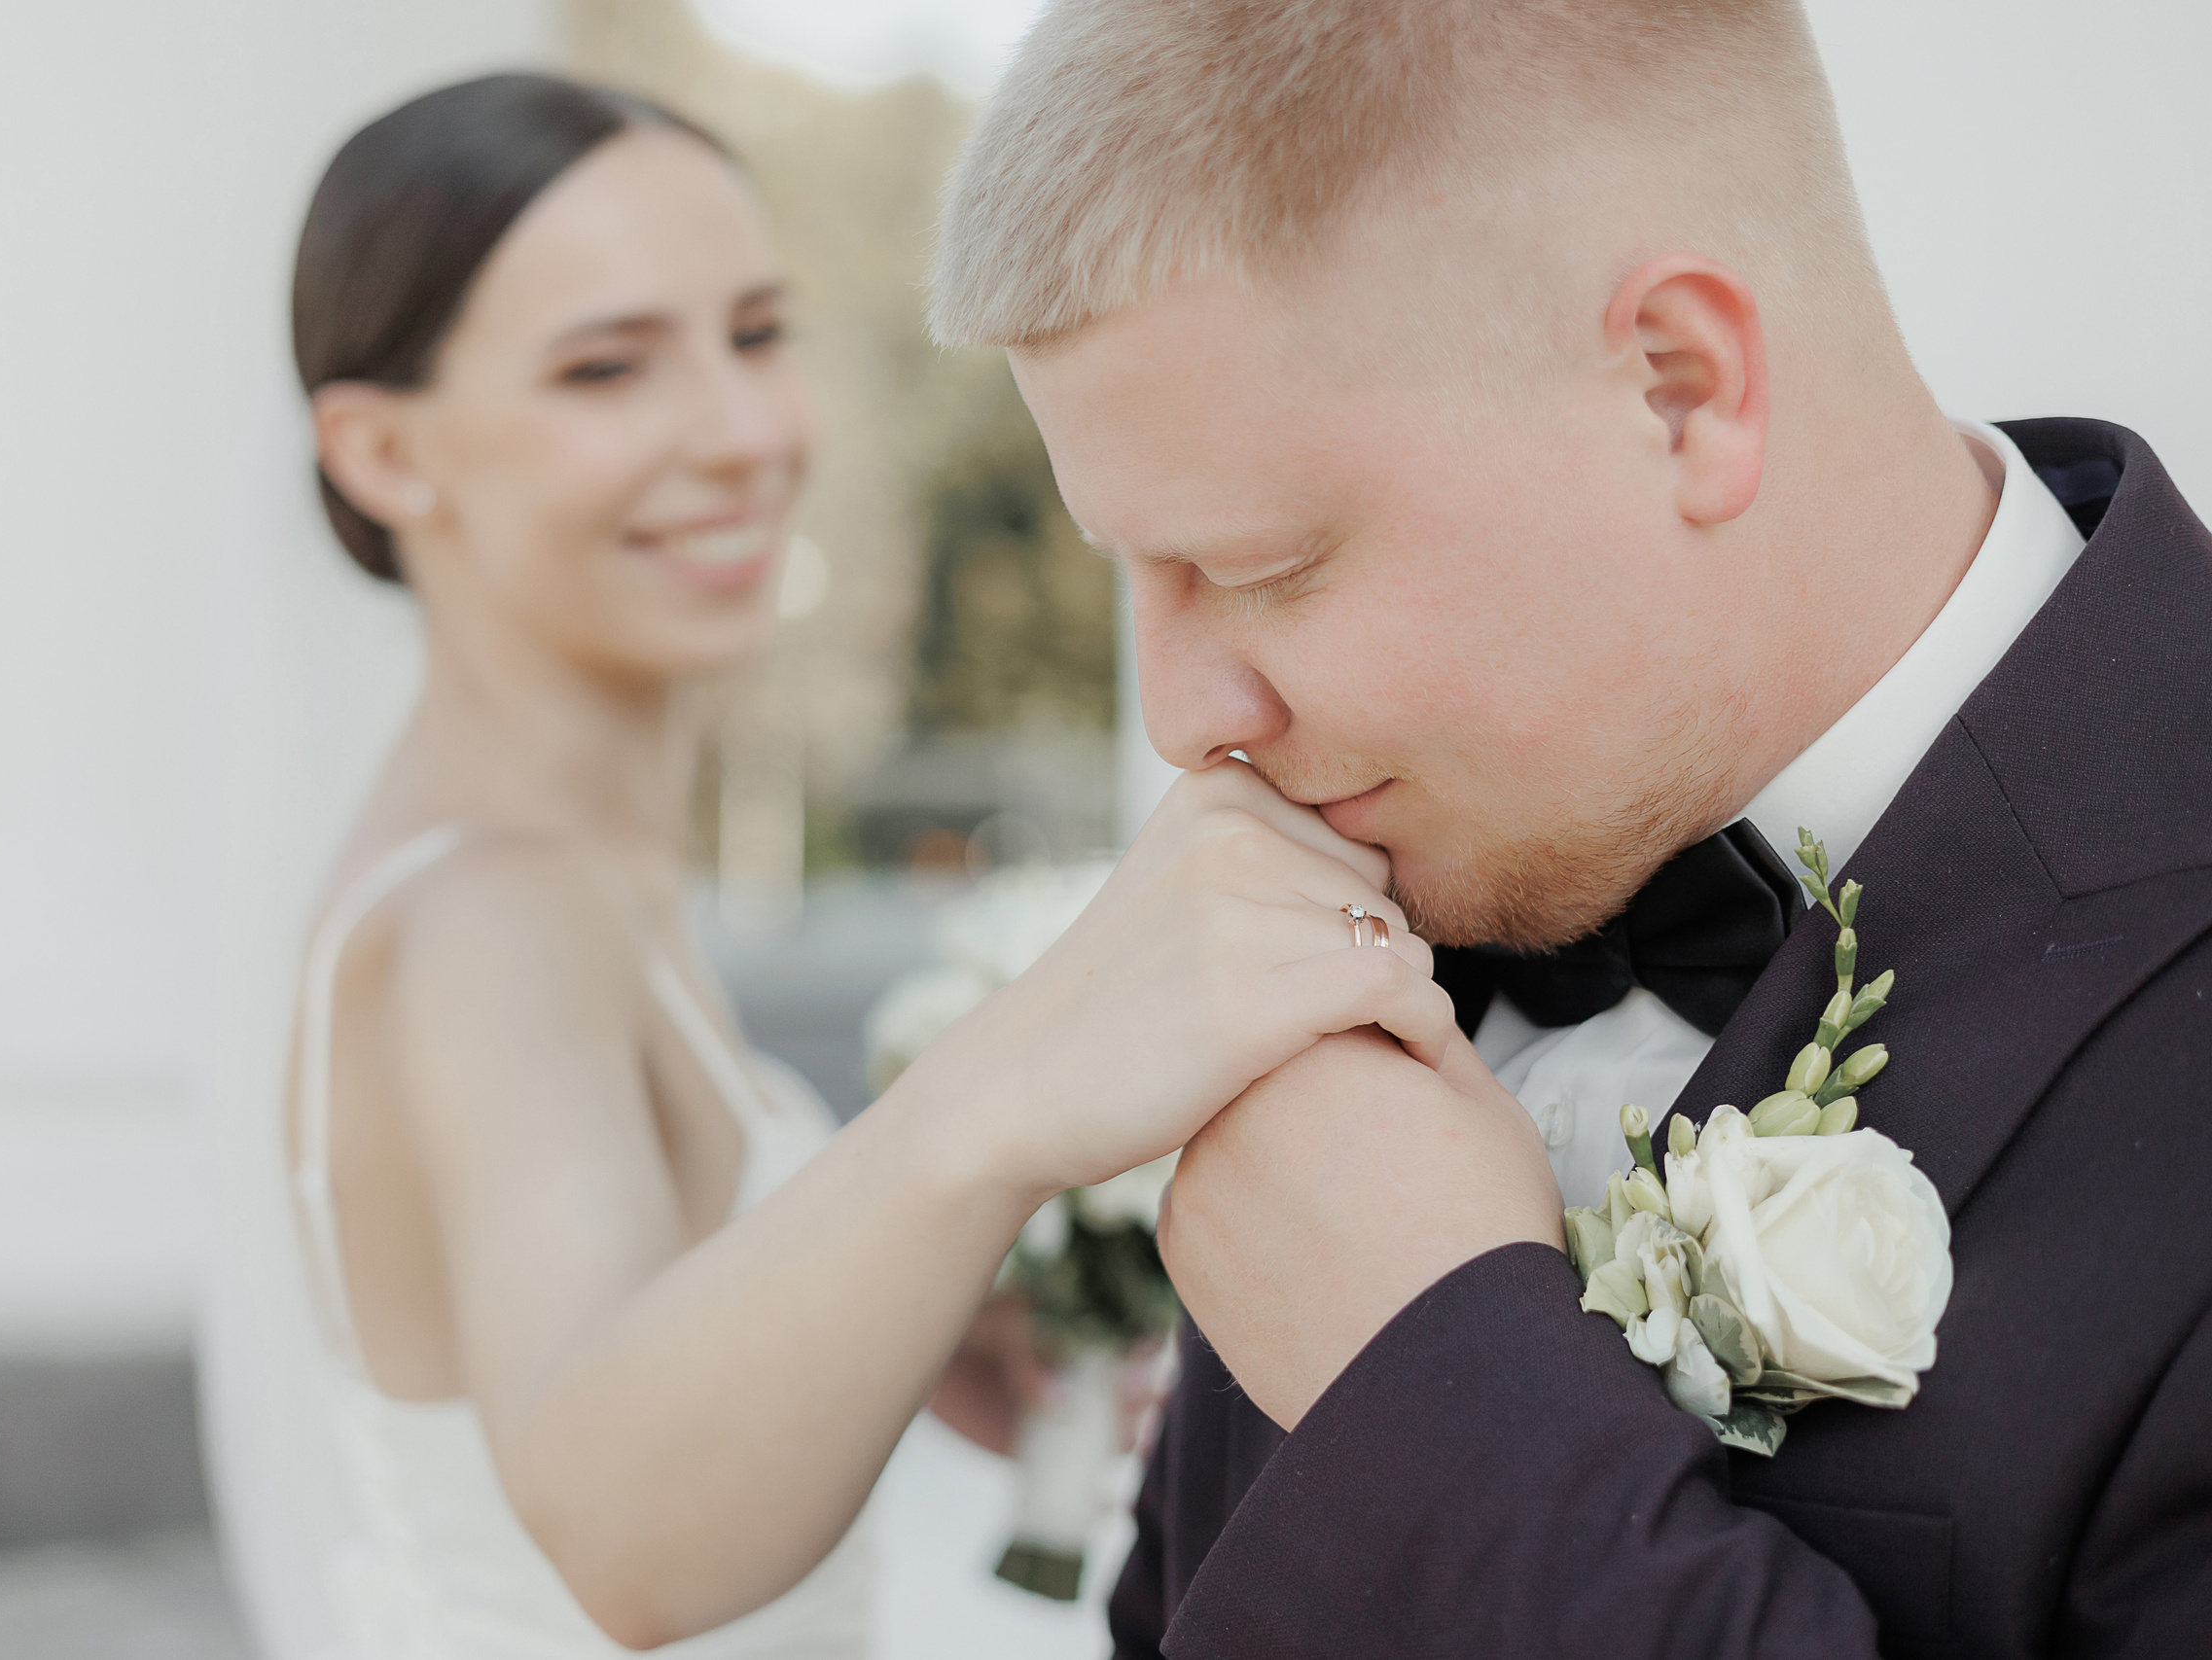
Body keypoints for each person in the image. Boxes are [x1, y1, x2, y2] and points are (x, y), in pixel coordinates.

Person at [929, 1, 2212, 1655]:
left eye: (1259, 568)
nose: (1185, 716)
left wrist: (1432, 1385)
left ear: (1681, 387)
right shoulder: (1360, 931)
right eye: (1133, 576)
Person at [268, 71, 1445, 1657]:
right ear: (386, 453)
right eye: (608, 367)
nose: (744, 432)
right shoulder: (495, 907)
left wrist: (914, 1305)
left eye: (755, 335)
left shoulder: (556, 876)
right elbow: (627, 1545)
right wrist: (1012, 1087)